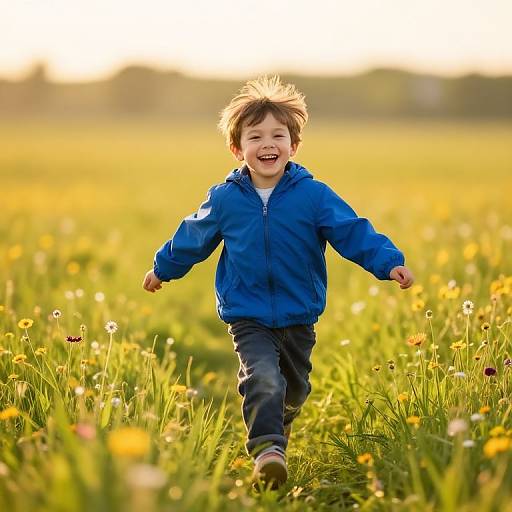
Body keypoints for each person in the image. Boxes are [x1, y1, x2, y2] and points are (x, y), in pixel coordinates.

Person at [142, 75, 414, 489]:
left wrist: (388, 262)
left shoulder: (314, 195)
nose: (267, 144)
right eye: (255, 136)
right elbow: (191, 237)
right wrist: (162, 268)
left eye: (277, 135)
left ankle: (279, 422)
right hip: (247, 314)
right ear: (237, 149)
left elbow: (352, 231)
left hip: (298, 314)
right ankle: (268, 452)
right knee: (262, 378)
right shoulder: (225, 199)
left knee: (293, 389)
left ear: (294, 145)